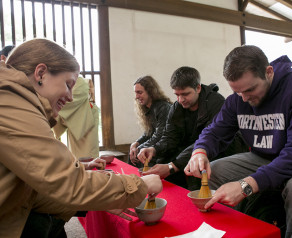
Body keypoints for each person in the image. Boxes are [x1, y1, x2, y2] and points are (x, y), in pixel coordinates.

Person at [0, 38, 162, 237]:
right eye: (68, 85)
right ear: (41, 73)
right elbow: (66, 182)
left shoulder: (16, 99)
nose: (70, 97)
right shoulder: (12, 103)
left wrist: (100, 198)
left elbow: (36, 189)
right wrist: (138, 185)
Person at [184, 45, 292, 238]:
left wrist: (246, 185)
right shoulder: (239, 99)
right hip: (263, 158)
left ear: (269, 72)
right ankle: (240, 232)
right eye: (237, 92)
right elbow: (214, 131)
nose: (244, 98)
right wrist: (200, 151)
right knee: (213, 172)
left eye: (250, 89)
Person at [138, 66, 248, 189]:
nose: (180, 100)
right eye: (177, 95)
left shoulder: (216, 102)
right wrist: (154, 149)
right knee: (159, 161)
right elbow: (170, 137)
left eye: (185, 94)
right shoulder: (177, 107)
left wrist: (172, 166)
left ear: (198, 88)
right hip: (193, 149)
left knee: (194, 169)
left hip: (219, 149)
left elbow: (210, 139)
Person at [128, 75, 172, 167]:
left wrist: (139, 148)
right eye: (135, 93)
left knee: (137, 154)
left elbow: (159, 135)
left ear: (150, 92)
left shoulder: (163, 107)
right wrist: (136, 143)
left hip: (167, 148)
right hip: (157, 145)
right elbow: (148, 132)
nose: (136, 96)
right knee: (134, 152)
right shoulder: (148, 108)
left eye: (139, 92)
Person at [53, 76, 100, 159]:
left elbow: (68, 99)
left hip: (87, 114)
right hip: (74, 117)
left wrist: (52, 104)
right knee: (76, 156)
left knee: (89, 155)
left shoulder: (79, 82)